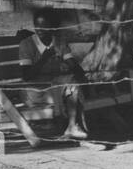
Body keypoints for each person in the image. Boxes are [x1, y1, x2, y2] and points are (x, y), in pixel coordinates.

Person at [18, 8, 88, 140]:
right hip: (35, 91)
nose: (40, 31)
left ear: (53, 28)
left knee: (73, 83)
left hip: (55, 88)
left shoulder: (59, 42)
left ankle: (72, 126)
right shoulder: (26, 45)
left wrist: (69, 66)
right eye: (37, 27)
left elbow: (74, 65)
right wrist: (44, 58)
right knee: (71, 87)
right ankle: (73, 126)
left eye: (45, 28)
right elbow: (26, 76)